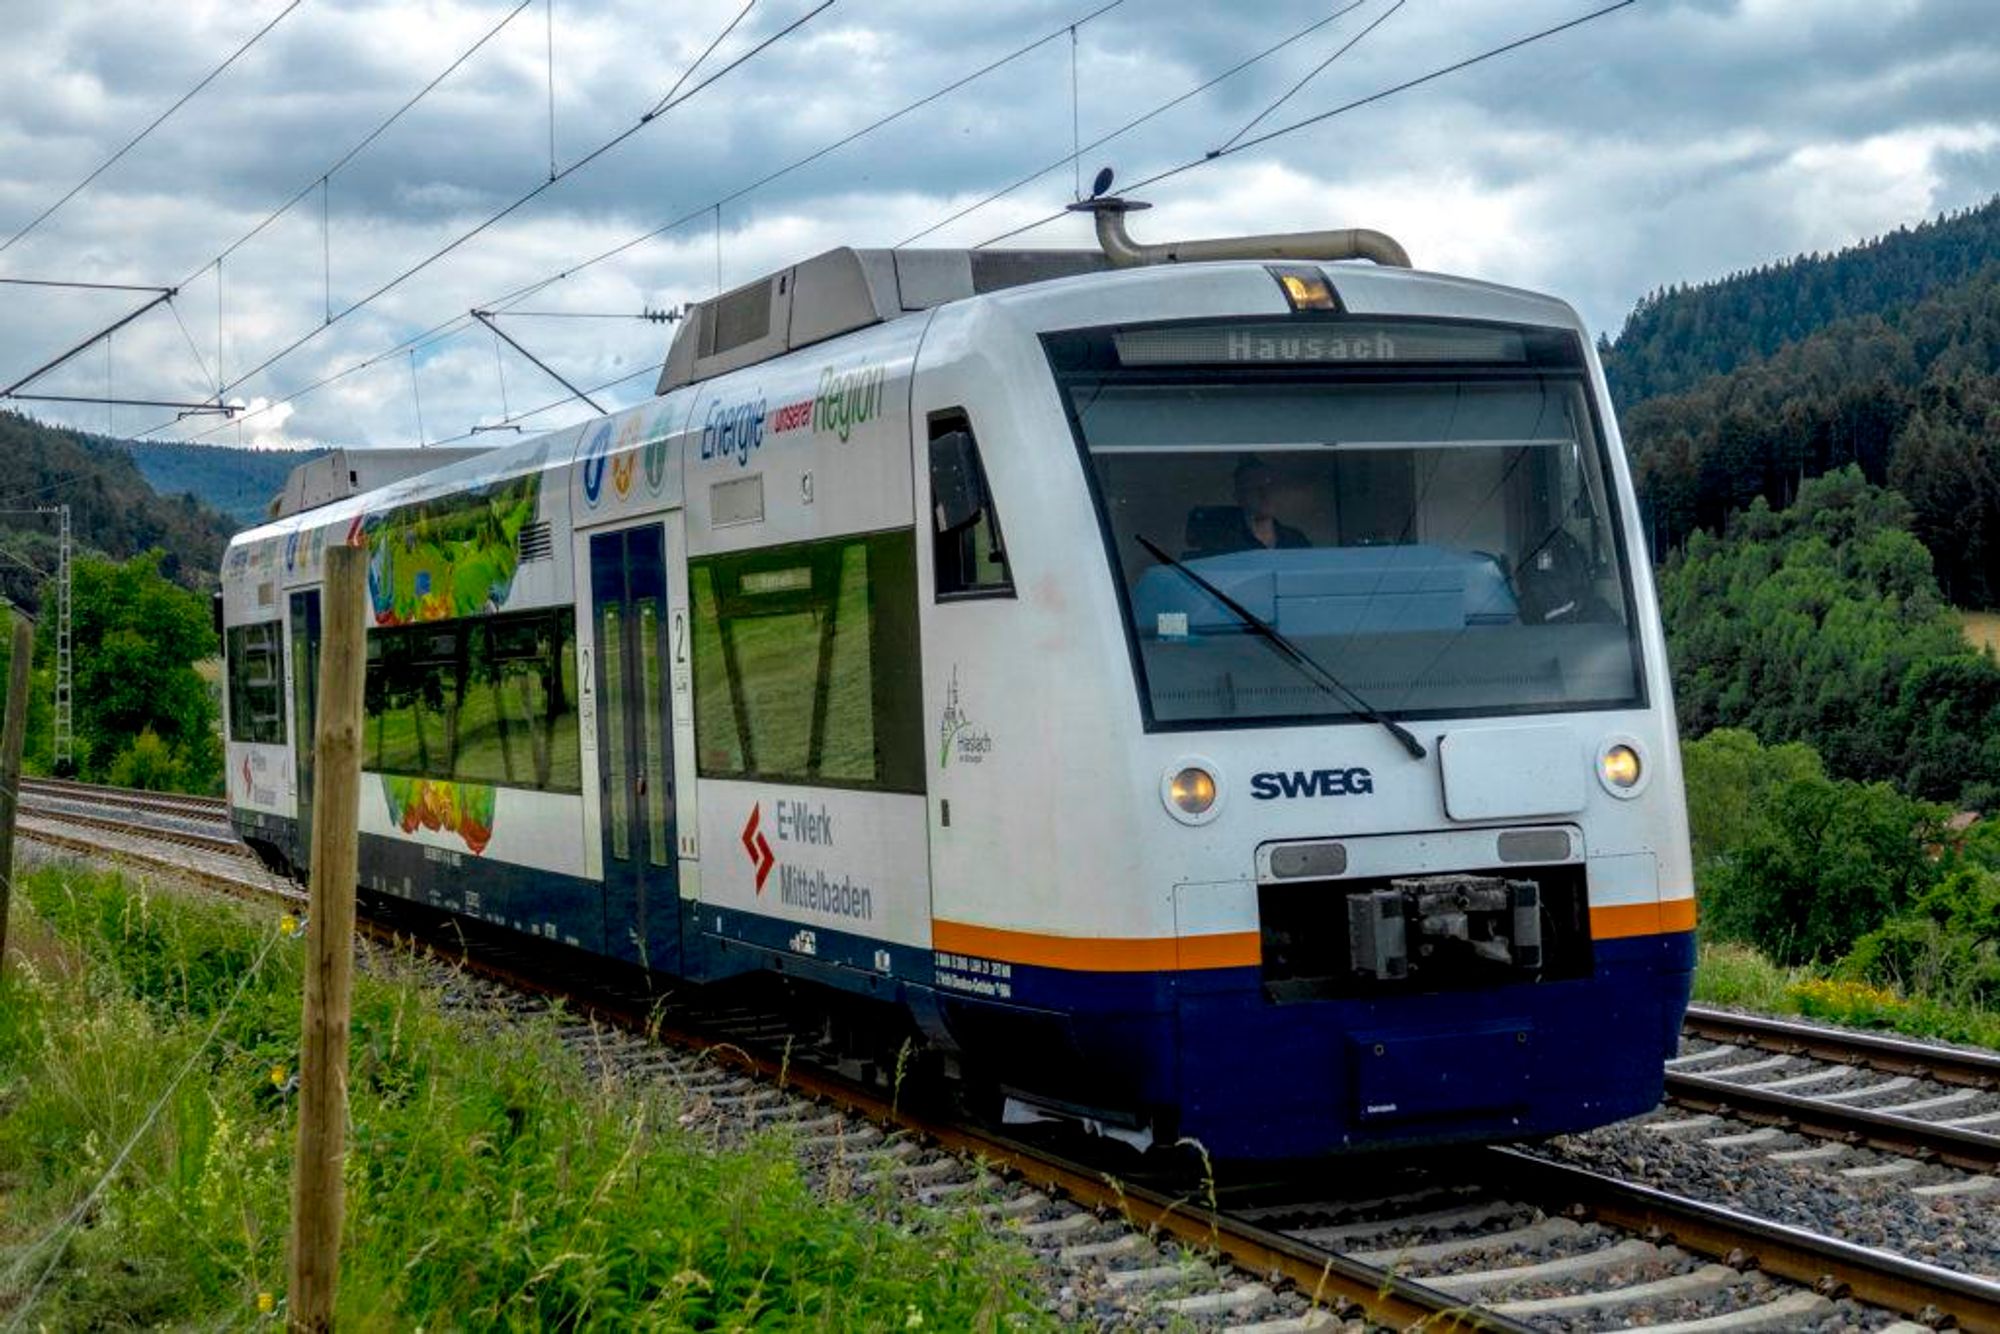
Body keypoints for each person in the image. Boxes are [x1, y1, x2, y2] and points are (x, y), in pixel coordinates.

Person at [1184, 456, 1310, 555]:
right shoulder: (1223, 542)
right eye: (1255, 488)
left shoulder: (1296, 540)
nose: (1265, 494)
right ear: (1239, 497)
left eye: (1269, 487)